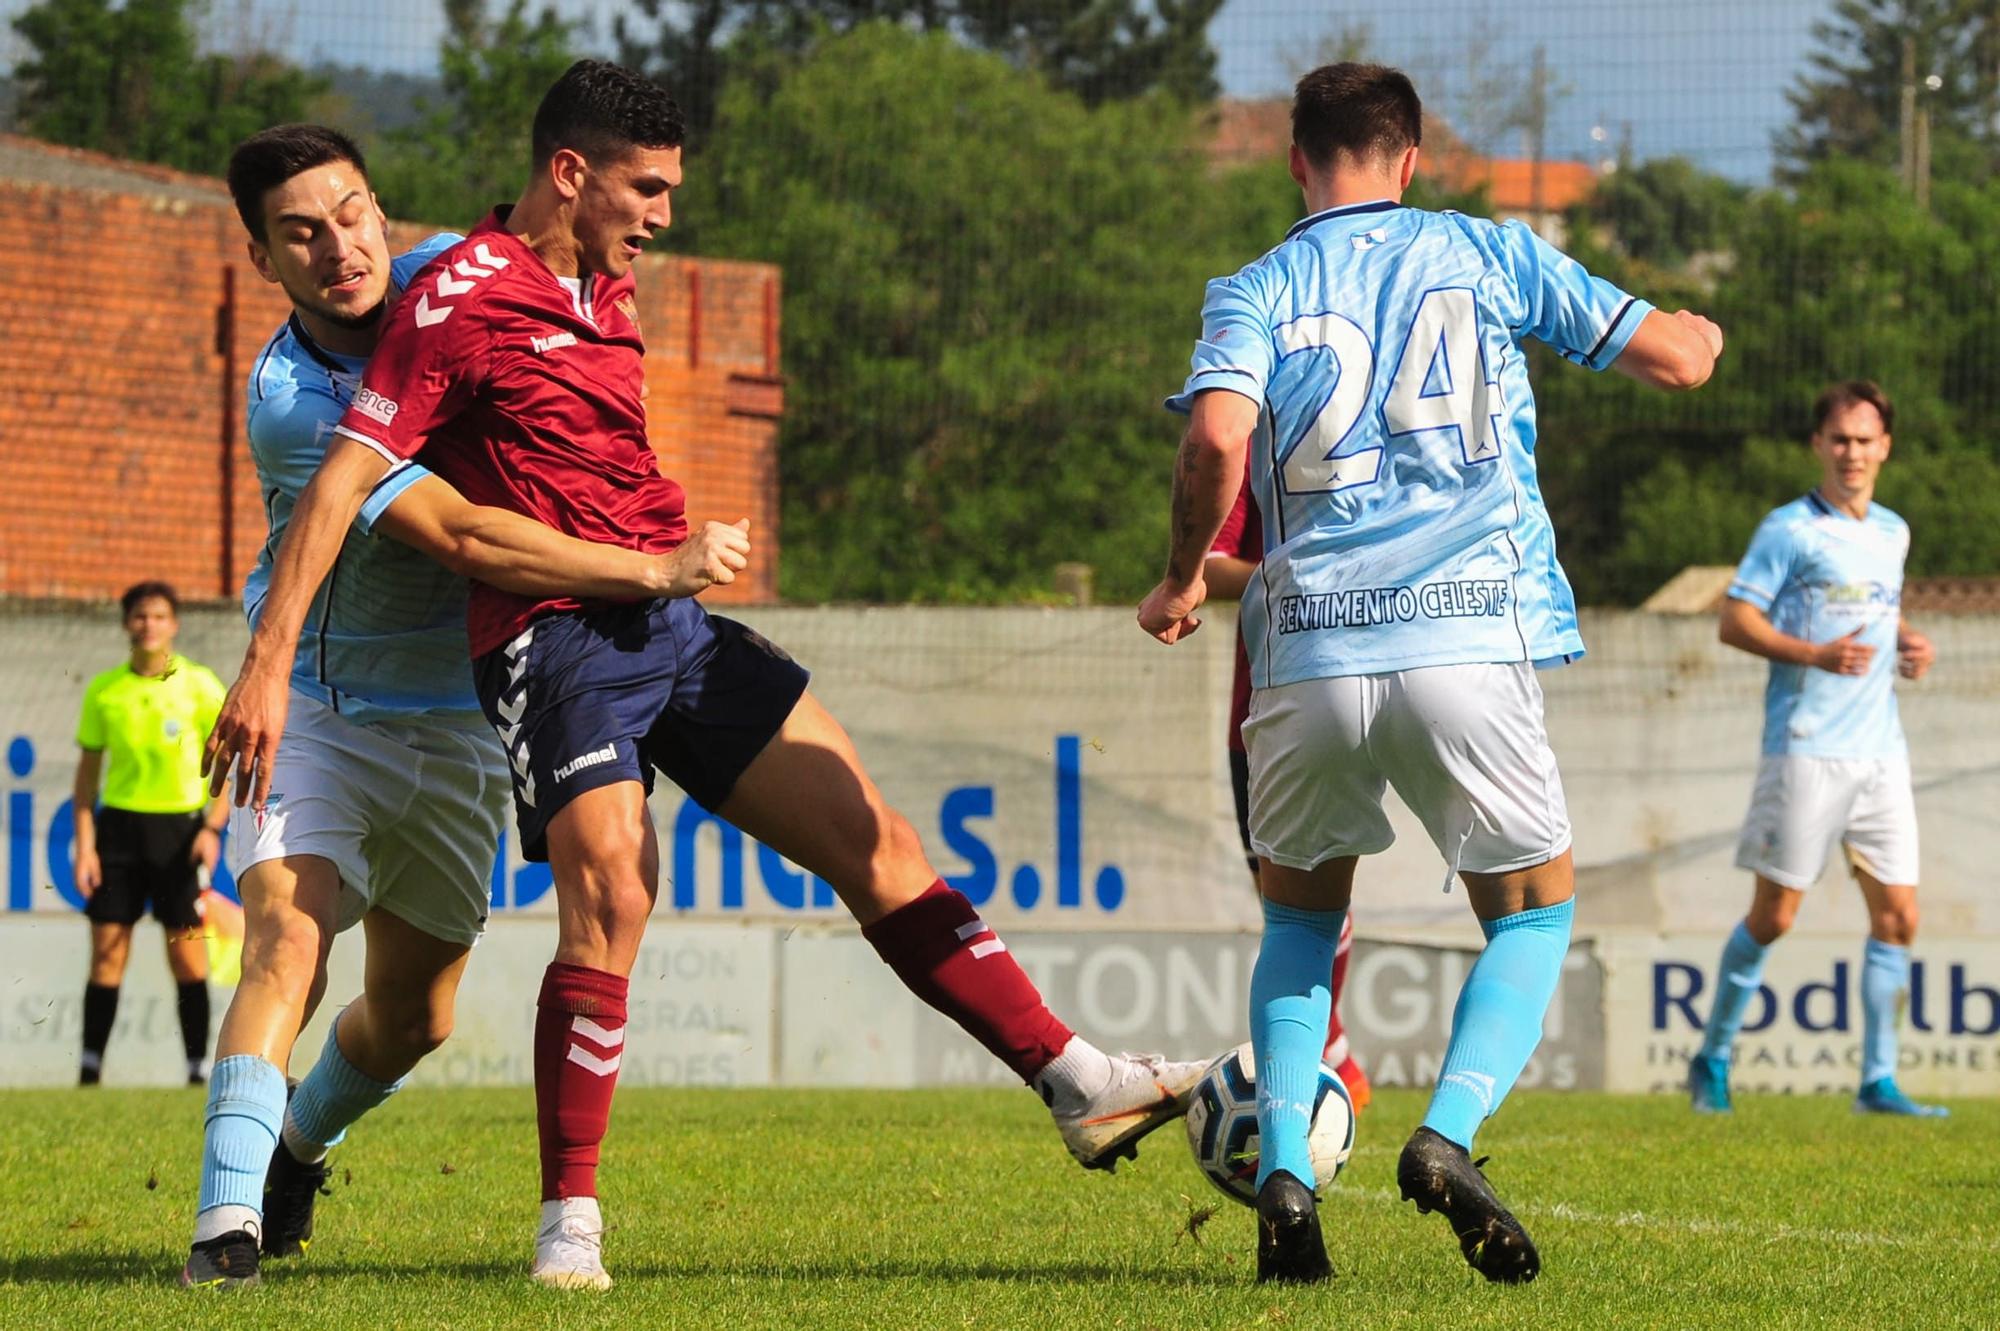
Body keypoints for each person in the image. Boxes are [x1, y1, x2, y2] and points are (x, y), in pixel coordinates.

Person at [202, 64, 1203, 1292]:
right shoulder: (441, 304)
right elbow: (368, 490)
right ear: (570, 173)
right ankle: (550, 1225)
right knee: (607, 891)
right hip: (548, 636)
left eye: (353, 211)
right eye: (648, 187)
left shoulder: (597, 282)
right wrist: (258, 665)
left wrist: (661, 565)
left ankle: (1074, 1077)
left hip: (661, 620)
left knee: (869, 834)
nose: (666, 213)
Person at [1138, 62, 1722, 1285]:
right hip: (1462, 636)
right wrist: (1700, 332)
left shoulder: (1252, 287)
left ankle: (1287, 1165)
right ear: (1409, 161)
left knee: (1300, 920)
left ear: (1294, 161)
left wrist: (1183, 573)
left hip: (1302, 654)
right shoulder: (1484, 252)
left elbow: (1213, 437)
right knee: (1534, 908)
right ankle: (1445, 1134)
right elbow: (1674, 359)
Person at [181, 123, 734, 1290]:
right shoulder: (292, 399)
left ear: (381, 210)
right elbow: (467, 533)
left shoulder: (454, 284)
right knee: (286, 938)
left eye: (353, 213)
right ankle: (223, 1231)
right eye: (301, 233)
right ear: (261, 258)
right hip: (326, 708)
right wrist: (650, 566)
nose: (340, 247)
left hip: (466, 715)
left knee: (416, 1017)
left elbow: (559, 244)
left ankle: (296, 1144)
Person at [1689, 381, 1945, 1118]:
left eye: (1865, 441)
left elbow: (1879, 610)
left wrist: (1909, 644)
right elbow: (1734, 621)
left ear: (1885, 447)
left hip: (1881, 755)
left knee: (1899, 916)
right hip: (1804, 749)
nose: (1852, 453)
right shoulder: (1789, 530)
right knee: (1774, 916)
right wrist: (1812, 652)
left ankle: (1878, 1080)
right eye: (1840, 439)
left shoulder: (1893, 531)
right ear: (1819, 445)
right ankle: (1712, 1057)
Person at [1206, 480, 1368, 1111]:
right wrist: (1305, 575)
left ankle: (1326, 1053)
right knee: (1281, 894)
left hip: (1357, 688)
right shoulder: (1252, 450)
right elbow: (1213, 567)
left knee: (1324, 882)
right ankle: (1332, 1051)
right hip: (1262, 711)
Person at [72, 581, 229, 1087]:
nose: (149, 626)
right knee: (107, 952)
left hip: (181, 831)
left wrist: (212, 826)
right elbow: (86, 780)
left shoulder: (201, 685)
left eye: (159, 617)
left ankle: (195, 1070)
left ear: (174, 624)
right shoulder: (105, 691)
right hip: (118, 830)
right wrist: (86, 847)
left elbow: (227, 764)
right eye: (140, 617)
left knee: (186, 953)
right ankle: (90, 1071)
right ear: (126, 624)